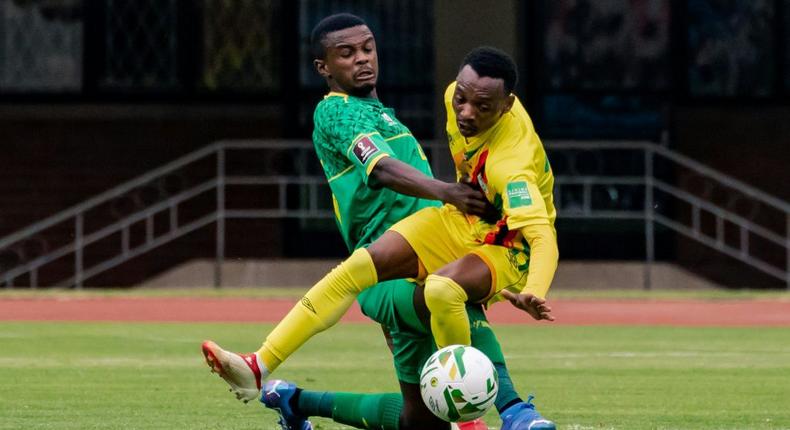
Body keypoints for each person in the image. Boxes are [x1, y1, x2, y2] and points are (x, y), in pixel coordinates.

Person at [202, 14, 557, 430]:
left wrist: (514, 277)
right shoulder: (337, 113)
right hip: (388, 273)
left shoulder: (384, 114)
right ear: (324, 68)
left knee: (418, 421)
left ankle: (294, 400)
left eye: (367, 48)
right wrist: (446, 191)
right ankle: (510, 412)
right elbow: (382, 168)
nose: (362, 60)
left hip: (434, 248)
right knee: (443, 293)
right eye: (347, 53)